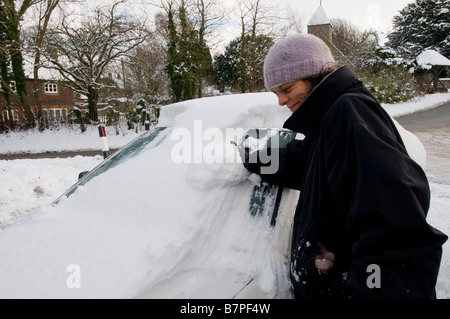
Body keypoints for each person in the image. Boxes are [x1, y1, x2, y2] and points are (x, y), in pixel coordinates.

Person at [241, 33, 448, 299]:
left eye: (287, 88)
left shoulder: (349, 115)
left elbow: (394, 233)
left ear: (314, 76)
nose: (281, 101)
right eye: (275, 93)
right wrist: (250, 158)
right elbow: (305, 161)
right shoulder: (330, 116)